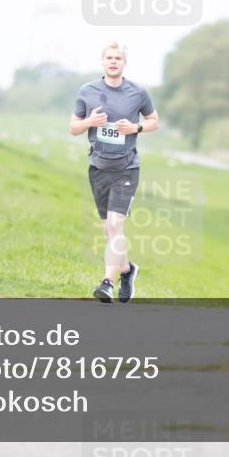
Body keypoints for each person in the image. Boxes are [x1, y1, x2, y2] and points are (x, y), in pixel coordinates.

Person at [70, 42, 159, 303]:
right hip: (98, 168)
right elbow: (73, 128)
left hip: (126, 168)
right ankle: (127, 270)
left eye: (118, 58)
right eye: (109, 57)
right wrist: (90, 122)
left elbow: (154, 121)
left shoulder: (138, 92)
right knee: (109, 232)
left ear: (124, 63)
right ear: (102, 61)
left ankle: (107, 283)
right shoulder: (87, 91)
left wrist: (136, 128)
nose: (113, 62)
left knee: (115, 224)